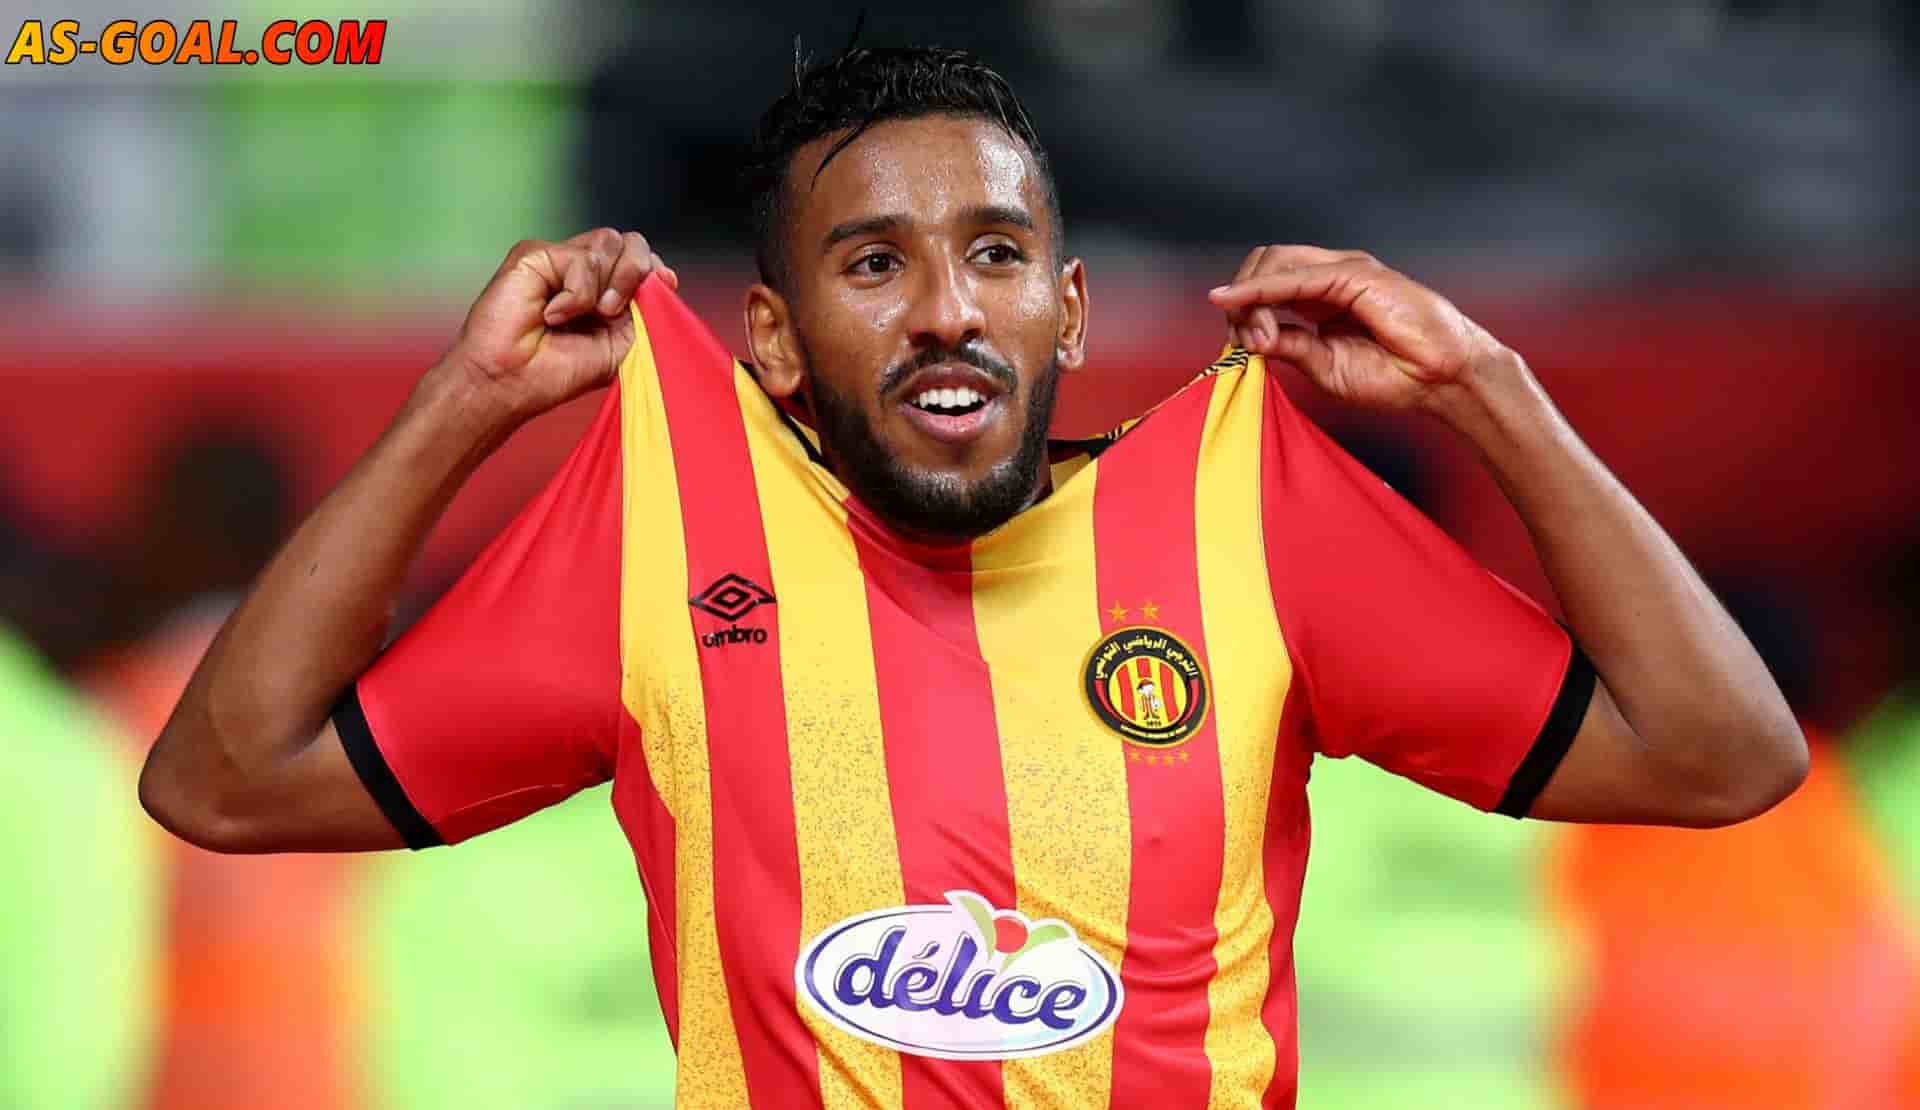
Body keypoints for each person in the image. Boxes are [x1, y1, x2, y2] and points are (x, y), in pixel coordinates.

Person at [138, 45, 1808, 1109]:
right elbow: (222, 778)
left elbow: (1724, 752)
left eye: (996, 253)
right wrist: (462, 404)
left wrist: (1489, 391)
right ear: (776, 339)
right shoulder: (668, 531)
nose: (947, 308)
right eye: (875, 263)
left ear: (1066, 311)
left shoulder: (1257, 519)